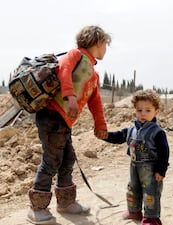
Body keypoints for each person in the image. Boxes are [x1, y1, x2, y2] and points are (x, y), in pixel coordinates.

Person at [27, 25, 111, 224]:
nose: (106, 49)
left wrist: (101, 124)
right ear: (98, 42)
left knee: (67, 159)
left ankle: (66, 202)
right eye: (105, 45)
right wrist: (69, 95)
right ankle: (36, 207)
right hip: (51, 115)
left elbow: (95, 101)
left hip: (64, 121)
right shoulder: (75, 55)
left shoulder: (93, 72)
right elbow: (64, 70)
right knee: (51, 160)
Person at [102, 89, 170, 225]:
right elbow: (119, 136)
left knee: (150, 191)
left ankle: (151, 218)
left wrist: (161, 170)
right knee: (133, 188)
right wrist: (106, 136)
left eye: (147, 110)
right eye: (139, 110)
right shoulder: (132, 128)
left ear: (156, 112)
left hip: (150, 168)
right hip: (134, 165)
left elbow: (164, 152)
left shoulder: (157, 132)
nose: (143, 114)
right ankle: (134, 211)